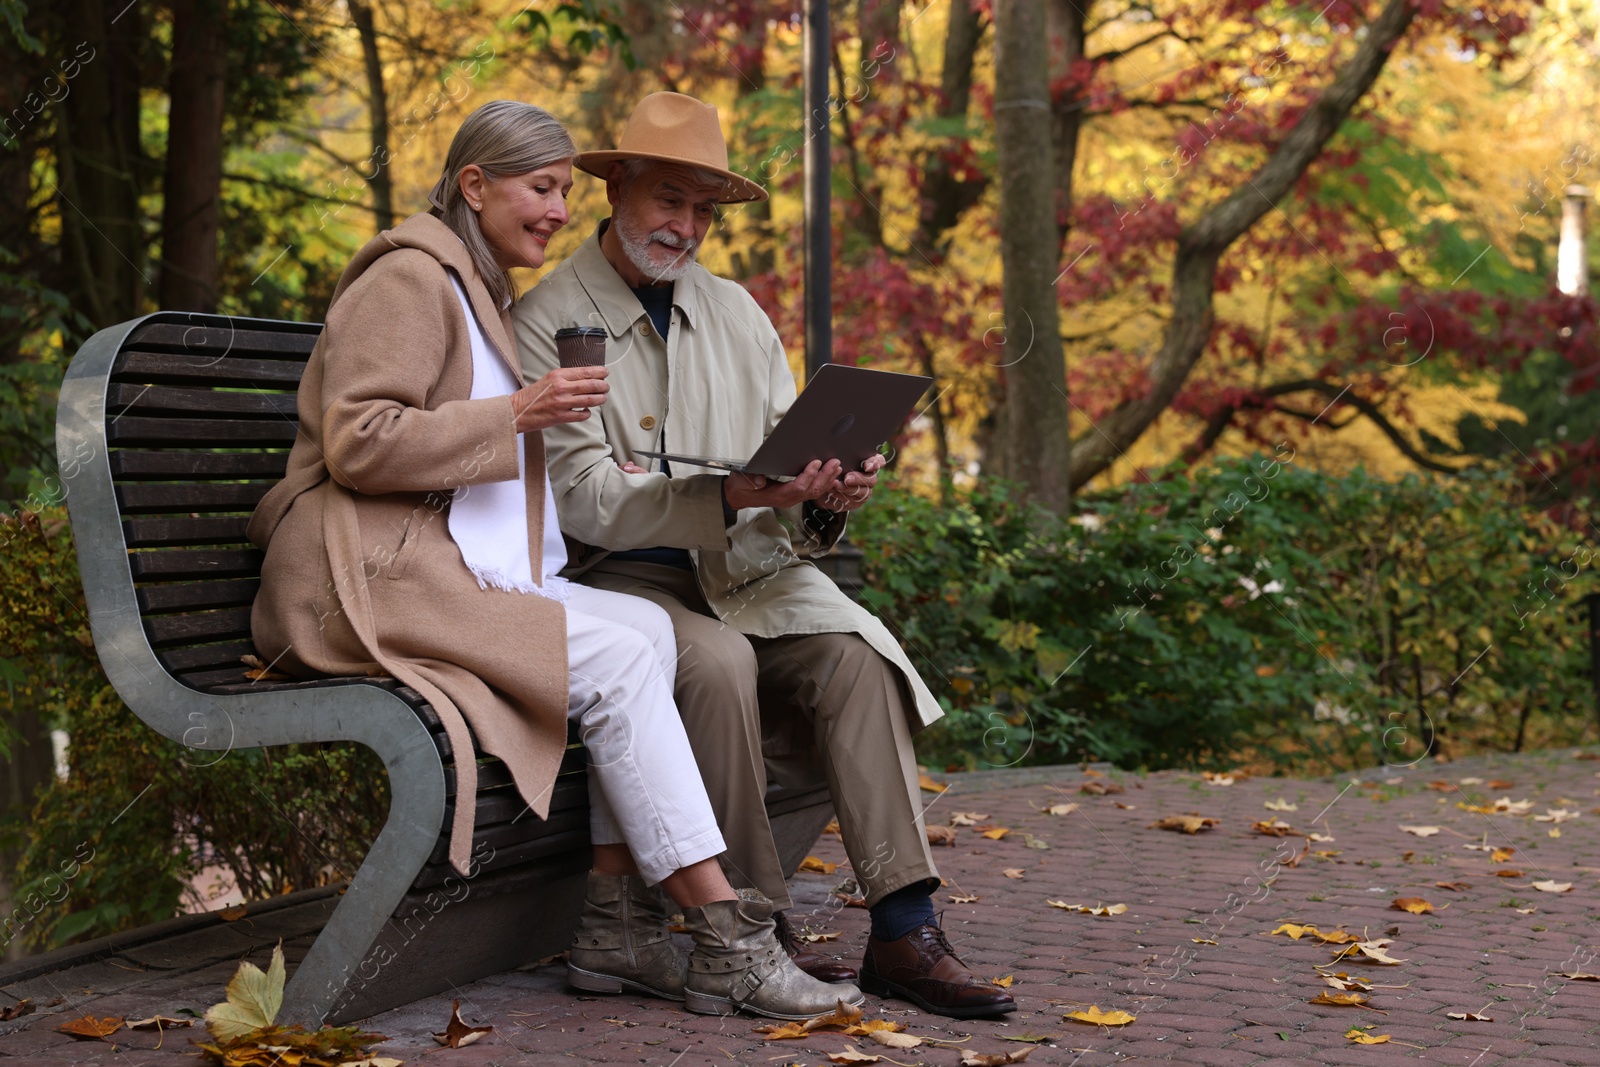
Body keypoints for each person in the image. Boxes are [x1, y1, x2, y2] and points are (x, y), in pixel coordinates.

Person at [247, 100, 858, 1021]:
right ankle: (728, 936)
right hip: (359, 581)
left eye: (565, 192)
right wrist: (520, 417)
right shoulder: (408, 279)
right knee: (617, 656)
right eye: (540, 188)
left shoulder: (476, 284)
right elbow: (359, 441)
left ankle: (613, 927)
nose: (559, 210)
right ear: (474, 185)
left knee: (649, 627)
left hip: (435, 569)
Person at [512, 92, 1016, 1019]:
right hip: (620, 582)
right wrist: (726, 494)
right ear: (616, 184)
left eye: (704, 208)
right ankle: (754, 929)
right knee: (718, 661)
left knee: (858, 656)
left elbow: (787, 467)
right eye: (670, 198)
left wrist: (825, 496)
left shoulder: (737, 312)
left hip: (753, 573)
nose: (688, 225)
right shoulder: (547, 317)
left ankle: (905, 929)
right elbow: (579, 495)